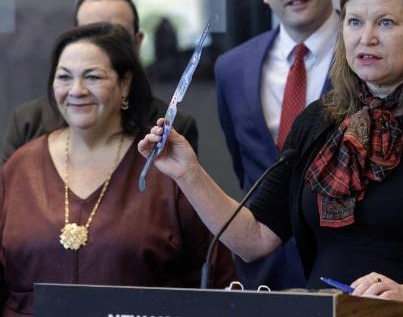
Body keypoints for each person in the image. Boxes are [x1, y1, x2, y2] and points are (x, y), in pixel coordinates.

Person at [140, 0, 403, 310]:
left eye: (385, 23)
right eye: (354, 22)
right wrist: (188, 172)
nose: (365, 38)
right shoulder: (321, 119)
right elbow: (253, 239)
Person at [0, 23, 234, 317]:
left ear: (125, 84)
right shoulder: (20, 166)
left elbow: (215, 279)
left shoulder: (161, 167)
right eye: (64, 77)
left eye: (93, 77)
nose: (76, 90)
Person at [214, 0, 339, 289]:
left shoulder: (367, 55)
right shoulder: (231, 68)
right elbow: (245, 167)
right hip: (263, 272)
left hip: (343, 269)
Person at [1, 0, 198, 167]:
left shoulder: (169, 127)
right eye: (90, 35)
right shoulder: (29, 122)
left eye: (117, 36)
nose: (102, 47)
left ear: (137, 42)